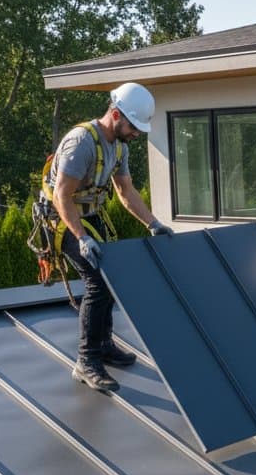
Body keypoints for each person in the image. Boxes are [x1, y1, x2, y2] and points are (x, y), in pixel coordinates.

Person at [45, 81, 173, 393]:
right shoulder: (81, 143)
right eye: (133, 126)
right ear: (115, 114)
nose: (136, 134)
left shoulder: (119, 147)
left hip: (91, 216)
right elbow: (62, 197)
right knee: (97, 282)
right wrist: (81, 238)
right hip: (64, 219)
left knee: (113, 276)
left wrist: (153, 223)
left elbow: (125, 191)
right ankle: (86, 361)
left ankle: (103, 345)